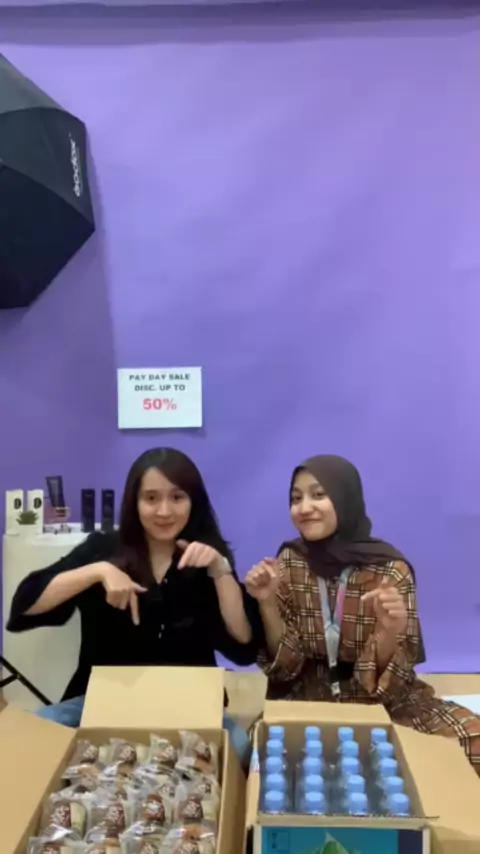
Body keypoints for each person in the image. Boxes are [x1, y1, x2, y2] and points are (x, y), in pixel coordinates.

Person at [8, 447, 261, 767]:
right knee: (30, 738)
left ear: (193, 501)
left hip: (188, 703)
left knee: (242, 754)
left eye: (177, 497)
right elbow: (26, 604)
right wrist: (97, 571)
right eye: (151, 498)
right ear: (134, 502)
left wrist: (220, 570)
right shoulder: (103, 548)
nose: (164, 511)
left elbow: (243, 644)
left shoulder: (206, 555)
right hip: (100, 702)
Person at [245, 454, 480, 775]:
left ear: (346, 498)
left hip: (381, 703)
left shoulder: (389, 569)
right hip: (309, 696)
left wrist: (389, 630)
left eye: (318, 495)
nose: (304, 507)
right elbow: (286, 668)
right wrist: (267, 603)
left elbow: (390, 685)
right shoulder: (290, 560)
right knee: (259, 754)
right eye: (296, 498)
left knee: (472, 741)